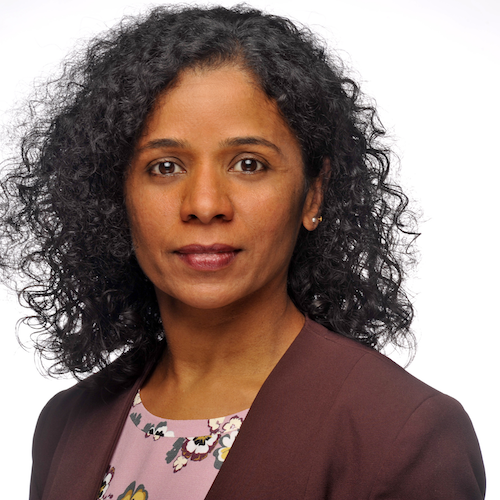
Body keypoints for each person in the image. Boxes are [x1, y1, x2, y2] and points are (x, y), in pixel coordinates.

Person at [0, 5, 485, 499]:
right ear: (115, 196)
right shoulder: (66, 423)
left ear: (313, 195)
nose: (204, 204)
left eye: (249, 164)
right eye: (165, 166)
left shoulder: (403, 433)